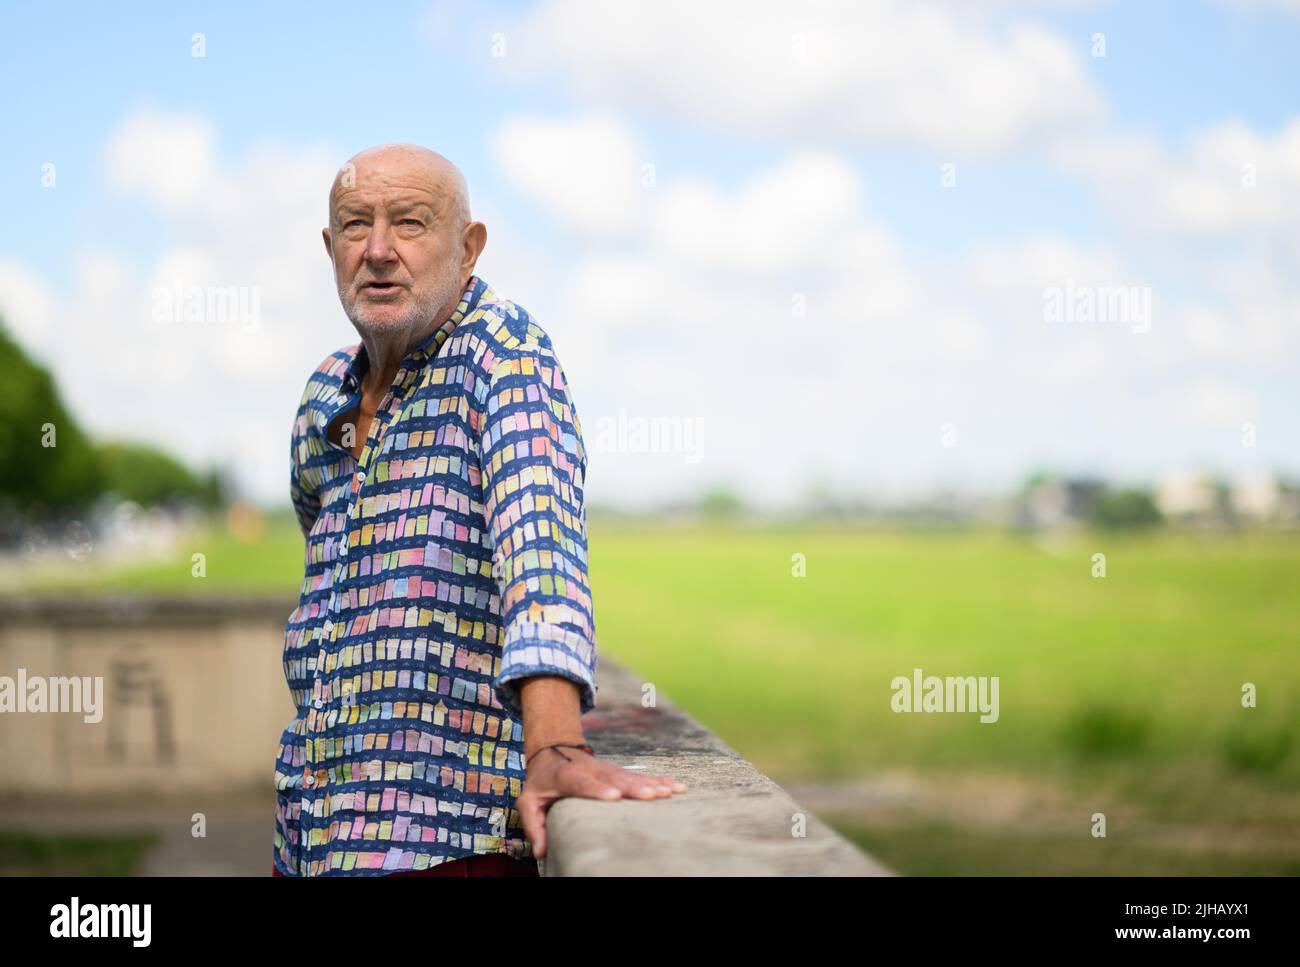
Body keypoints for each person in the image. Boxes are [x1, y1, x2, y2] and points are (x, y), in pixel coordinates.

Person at [272, 144, 686, 877]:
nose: (378, 250)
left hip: (447, 849)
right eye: (355, 226)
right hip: (308, 838)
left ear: (468, 248)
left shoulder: (504, 356)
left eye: (409, 222)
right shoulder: (322, 397)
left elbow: (541, 554)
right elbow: (323, 548)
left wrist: (555, 748)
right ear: (329, 248)